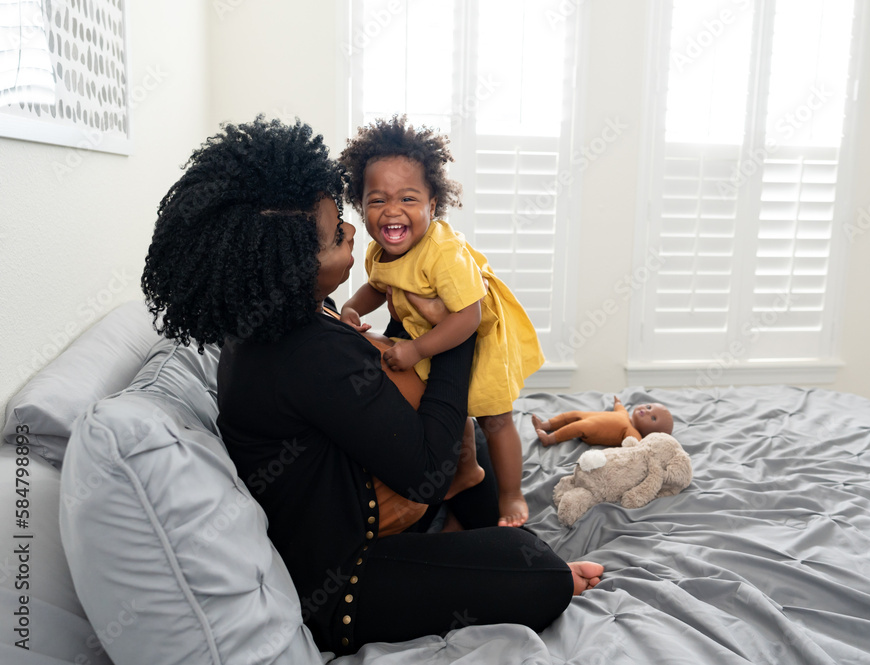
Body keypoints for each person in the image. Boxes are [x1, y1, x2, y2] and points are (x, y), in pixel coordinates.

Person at [140, 116, 602, 656]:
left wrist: (407, 333)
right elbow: (428, 474)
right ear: (292, 262)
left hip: (370, 506)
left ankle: (469, 532)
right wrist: (456, 330)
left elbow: (364, 390)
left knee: (474, 438)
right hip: (341, 583)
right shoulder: (304, 352)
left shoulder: (281, 319)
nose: (353, 232)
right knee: (541, 571)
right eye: (336, 233)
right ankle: (477, 543)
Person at [339, 116, 543, 528]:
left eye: (408, 198)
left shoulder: (442, 254)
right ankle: (466, 470)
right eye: (377, 201)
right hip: (433, 335)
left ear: (432, 205)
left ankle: (511, 494)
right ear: (361, 207)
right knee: (449, 412)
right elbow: (378, 287)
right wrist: (351, 309)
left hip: (477, 337)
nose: (392, 211)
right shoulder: (380, 252)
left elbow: (469, 315)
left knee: (495, 419)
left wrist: (416, 349)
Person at [532, 397, 675, 447]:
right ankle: (545, 425)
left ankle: (550, 439)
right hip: (588, 416)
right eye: (649, 407)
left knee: (578, 426)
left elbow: (635, 448)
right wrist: (618, 403)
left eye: (653, 418)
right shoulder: (625, 414)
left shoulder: (633, 433)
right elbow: (620, 408)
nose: (647, 411)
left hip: (590, 429)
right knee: (573, 414)